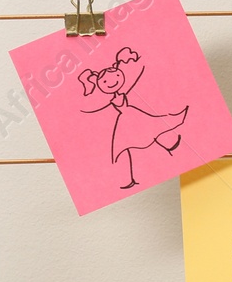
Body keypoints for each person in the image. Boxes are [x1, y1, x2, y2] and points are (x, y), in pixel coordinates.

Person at [79, 47, 187, 189]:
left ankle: (170, 144)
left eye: (116, 76)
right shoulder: (111, 99)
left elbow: (134, 77)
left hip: (132, 115)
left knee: (152, 127)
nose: (112, 82)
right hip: (126, 119)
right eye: (105, 82)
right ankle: (128, 178)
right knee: (132, 141)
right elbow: (94, 107)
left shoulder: (122, 90)